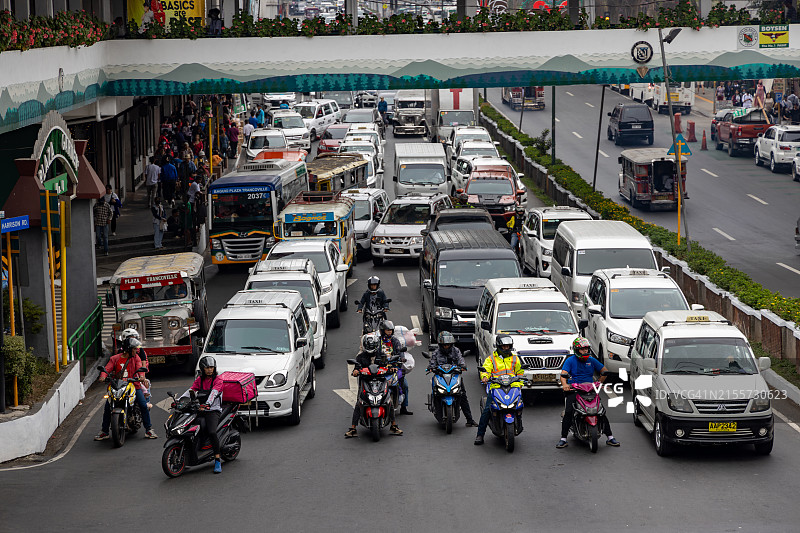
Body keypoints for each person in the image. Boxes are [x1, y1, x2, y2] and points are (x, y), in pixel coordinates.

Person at [556, 337, 619, 448]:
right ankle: (563, 438)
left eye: (586, 349)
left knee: (601, 411)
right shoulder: (570, 360)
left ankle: (610, 437)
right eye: (582, 349)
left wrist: (599, 382)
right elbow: (563, 375)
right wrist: (565, 385)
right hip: (575, 390)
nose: (585, 351)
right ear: (576, 350)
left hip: (590, 389)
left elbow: (604, 371)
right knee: (569, 412)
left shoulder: (591, 360)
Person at [95, 338, 157, 440]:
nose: (136, 351)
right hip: (116, 386)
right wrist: (103, 376)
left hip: (133, 386)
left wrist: (142, 376)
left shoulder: (136, 358)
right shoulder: (115, 358)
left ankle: (148, 429)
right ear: (128, 349)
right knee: (107, 407)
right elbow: (107, 368)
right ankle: (104, 431)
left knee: (143, 405)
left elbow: (140, 368)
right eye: (134, 349)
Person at [345, 332, 403, 438]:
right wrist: (356, 371)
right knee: (359, 404)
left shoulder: (382, 355)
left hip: (381, 382)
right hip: (366, 382)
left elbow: (387, 366)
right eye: (369, 345)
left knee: (388, 402)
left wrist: (392, 368)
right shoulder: (360, 357)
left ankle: (394, 426)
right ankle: (353, 428)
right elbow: (356, 368)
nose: (370, 348)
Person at [474, 335, 524, 445]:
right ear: (499, 346)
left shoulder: (515, 358)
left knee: (519, 405)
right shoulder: (491, 359)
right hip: (496, 387)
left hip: (513, 386)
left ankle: (518, 422)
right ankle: (480, 434)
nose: (506, 348)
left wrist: (520, 383)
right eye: (504, 346)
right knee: (487, 410)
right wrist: (485, 377)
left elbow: (520, 372)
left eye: (508, 346)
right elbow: (485, 369)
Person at [180, 356, 224, 473]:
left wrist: (208, 404)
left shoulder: (218, 380)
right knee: (191, 428)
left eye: (211, 367)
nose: (210, 370)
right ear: (202, 369)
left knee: (212, 432)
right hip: (200, 409)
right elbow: (191, 391)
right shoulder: (200, 380)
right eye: (207, 368)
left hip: (213, 410)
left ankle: (217, 459)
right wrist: (179, 401)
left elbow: (213, 393)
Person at [427, 331, 478, 427]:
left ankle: (469, 419)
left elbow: (461, 359)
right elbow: (432, 362)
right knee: (436, 393)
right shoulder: (436, 353)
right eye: (444, 345)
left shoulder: (456, 351)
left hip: (454, 376)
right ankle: (437, 411)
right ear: (440, 345)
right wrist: (431, 367)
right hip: (440, 376)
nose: (446, 347)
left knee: (462, 395)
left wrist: (463, 366)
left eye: (448, 345)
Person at [378, 320, 412, 416]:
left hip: (394, 367)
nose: (389, 332)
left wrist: (402, 358)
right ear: (382, 330)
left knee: (404, 385)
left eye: (390, 330)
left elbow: (400, 352)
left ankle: (404, 407)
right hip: (381, 368)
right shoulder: (378, 341)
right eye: (387, 330)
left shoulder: (395, 341)